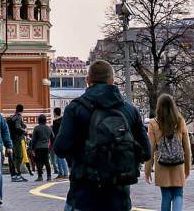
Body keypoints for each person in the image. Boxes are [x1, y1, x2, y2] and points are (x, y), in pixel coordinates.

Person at [53, 59, 150, 211]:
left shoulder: (75, 108)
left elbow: (60, 148)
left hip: (83, 195)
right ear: (112, 80)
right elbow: (146, 151)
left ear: (87, 80)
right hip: (119, 197)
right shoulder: (130, 111)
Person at [145, 93, 191, 211]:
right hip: (178, 163)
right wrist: (187, 168)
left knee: (166, 196)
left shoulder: (153, 123)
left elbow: (150, 148)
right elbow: (186, 147)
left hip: (161, 164)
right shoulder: (180, 121)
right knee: (178, 194)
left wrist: (148, 170)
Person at [7, 104, 27, 182]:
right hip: (17, 139)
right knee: (19, 156)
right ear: (22, 110)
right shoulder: (19, 117)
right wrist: (24, 130)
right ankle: (18, 173)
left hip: (11, 139)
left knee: (13, 157)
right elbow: (18, 127)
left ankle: (15, 174)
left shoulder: (12, 117)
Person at [30, 114, 53, 182]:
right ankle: (49, 176)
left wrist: (32, 148)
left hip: (38, 147)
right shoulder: (49, 128)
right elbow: (52, 137)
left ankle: (40, 176)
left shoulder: (37, 128)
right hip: (46, 147)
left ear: (39, 120)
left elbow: (33, 139)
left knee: (38, 162)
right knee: (46, 161)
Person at [52, 107, 68, 179]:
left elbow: (54, 133)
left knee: (60, 157)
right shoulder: (63, 120)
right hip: (63, 140)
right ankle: (61, 173)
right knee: (59, 157)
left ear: (55, 113)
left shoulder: (55, 121)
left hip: (57, 141)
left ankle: (65, 173)